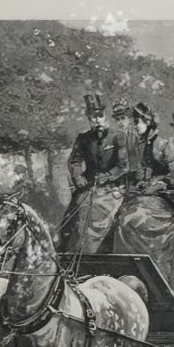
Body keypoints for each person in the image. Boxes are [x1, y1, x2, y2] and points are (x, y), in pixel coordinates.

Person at [61, 102, 159, 253]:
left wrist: (107, 176)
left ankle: (97, 252)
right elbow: (74, 160)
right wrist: (78, 176)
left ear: (105, 117)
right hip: (88, 186)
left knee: (98, 210)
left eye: (100, 116)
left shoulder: (118, 136)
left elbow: (123, 165)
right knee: (74, 213)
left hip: (112, 186)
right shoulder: (83, 138)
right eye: (93, 117)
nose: (97, 120)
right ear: (89, 119)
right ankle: (69, 252)